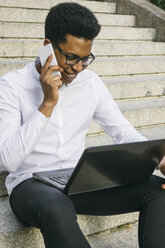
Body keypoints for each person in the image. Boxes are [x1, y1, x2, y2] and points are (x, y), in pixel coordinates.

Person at [0, 2, 165, 248]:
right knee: (56, 206)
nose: (78, 68)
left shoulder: (91, 82)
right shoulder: (11, 86)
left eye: (85, 59)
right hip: (30, 185)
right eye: (71, 57)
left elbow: (121, 131)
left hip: (79, 180)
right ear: (48, 47)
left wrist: (156, 156)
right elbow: (8, 161)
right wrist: (47, 104)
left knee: (159, 190)